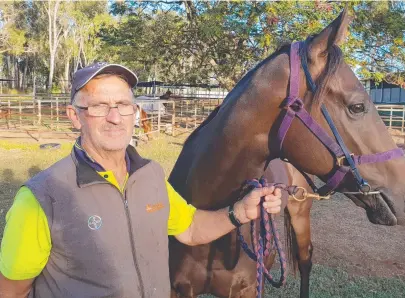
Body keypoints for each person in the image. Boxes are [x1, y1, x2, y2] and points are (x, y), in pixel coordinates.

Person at [0, 62, 282, 298]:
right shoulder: (41, 198)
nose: (114, 117)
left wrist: (240, 211)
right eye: (98, 106)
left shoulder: (151, 175)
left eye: (123, 104)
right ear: (75, 116)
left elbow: (191, 228)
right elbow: (12, 290)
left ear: (134, 113)